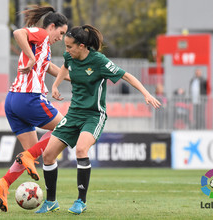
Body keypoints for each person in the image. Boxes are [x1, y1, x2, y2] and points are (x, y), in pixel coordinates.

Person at [32, 25, 161, 215]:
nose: (66, 51)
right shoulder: (70, 57)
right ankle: (51, 201)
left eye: (69, 47)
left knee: (82, 150)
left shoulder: (99, 61)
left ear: (82, 46)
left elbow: (126, 75)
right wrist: (56, 85)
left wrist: (146, 93)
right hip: (73, 114)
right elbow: (64, 68)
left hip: (94, 115)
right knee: (48, 155)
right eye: (65, 46)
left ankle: (80, 201)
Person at [0, 5, 69, 212]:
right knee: (65, 126)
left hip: (12, 101)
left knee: (33, 152)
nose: (60, 38)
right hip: (28, 98)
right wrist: (32, 57)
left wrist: (77, 79)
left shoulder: (43, 46)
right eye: (60, 33)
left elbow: (50, 68)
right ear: (51, 26)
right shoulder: (42, 34)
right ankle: (26, 158)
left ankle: (4, 184)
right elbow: (18, 33)